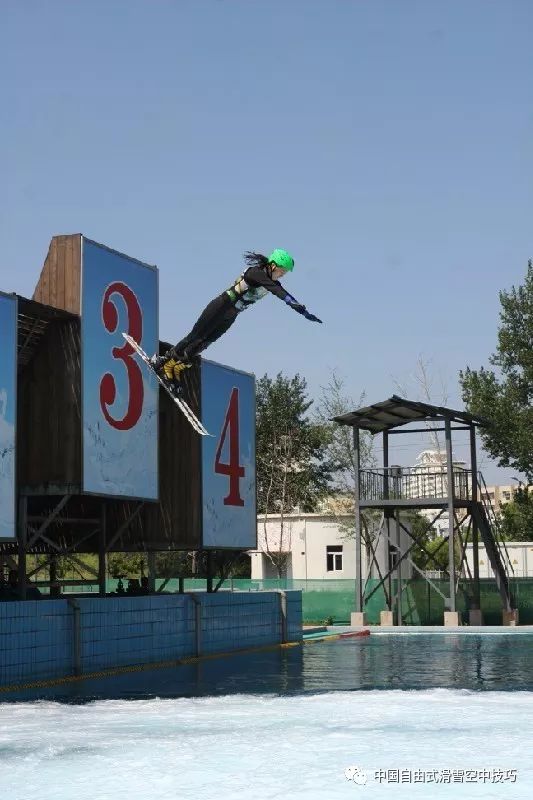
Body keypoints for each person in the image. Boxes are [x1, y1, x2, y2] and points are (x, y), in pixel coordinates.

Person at [153, 249, 322, 391]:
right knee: (196, 336)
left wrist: (303, 311)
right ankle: (164, 361)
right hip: (222, 305)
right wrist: (293, 304)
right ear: (272, 265)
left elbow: (282, 291)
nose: (282, 275)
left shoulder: (271, 281)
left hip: (232, 314)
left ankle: (173, 368)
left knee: (204, 343)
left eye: (284, 273)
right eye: (281, 271)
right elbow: (279, 292)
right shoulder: (256, 273)